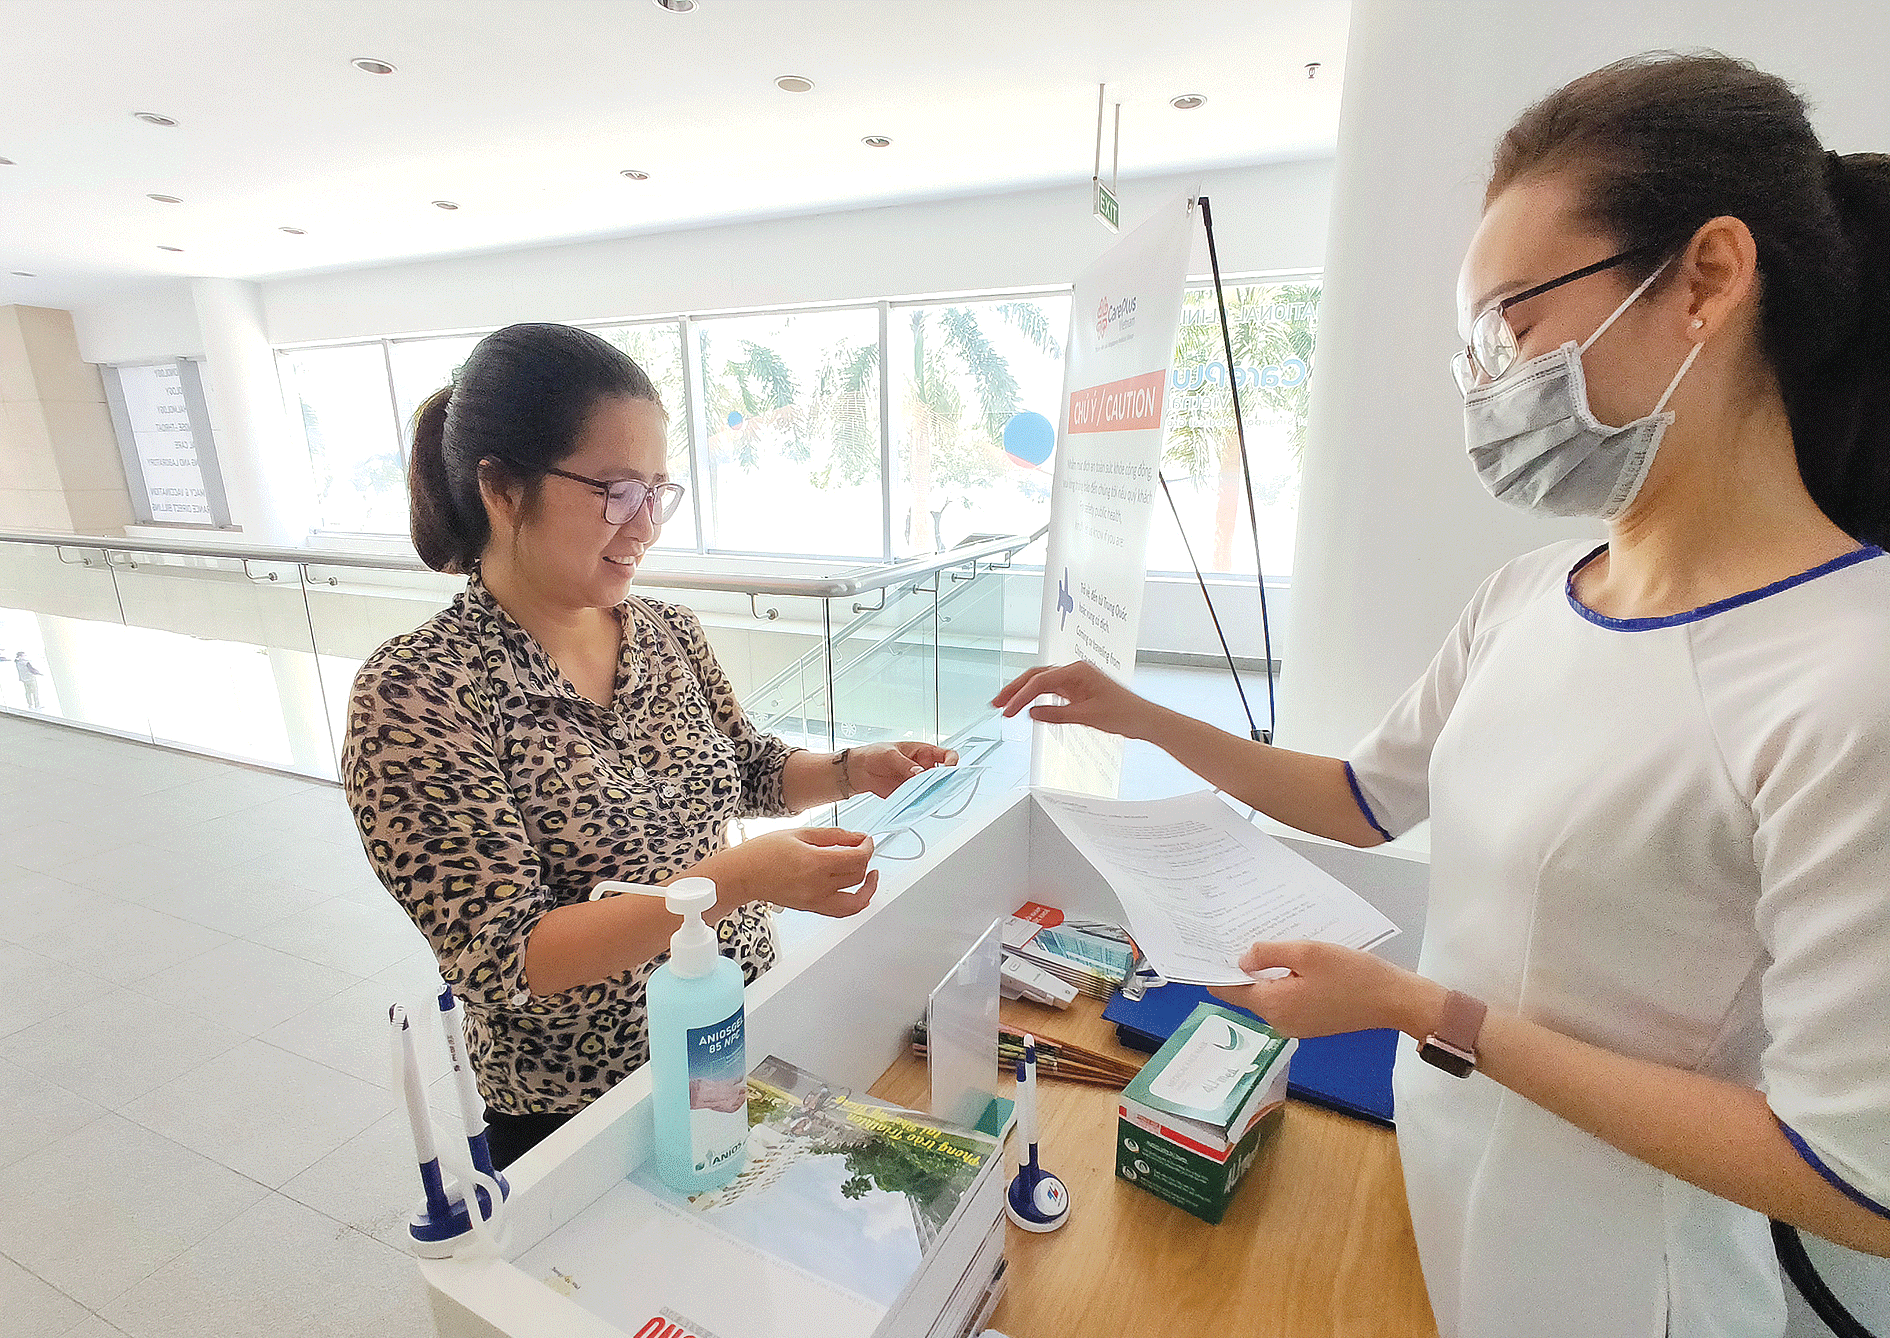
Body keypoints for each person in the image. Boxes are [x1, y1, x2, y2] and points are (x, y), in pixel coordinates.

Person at [994, 52, 1890, 1338]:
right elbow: (1363, 801)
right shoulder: (1534, 594)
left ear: (1706, 278)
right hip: (1454, 1169)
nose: (1488, 386)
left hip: (1636, 1272)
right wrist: (1137, 714)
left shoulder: (1851, 668)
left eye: (1511, 326)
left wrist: (1429, 1011)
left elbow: (1853, 1181)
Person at [343, 322, 956, 1170]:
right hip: (588, 1113)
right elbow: (508, 959)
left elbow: (745, 767)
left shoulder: (666, 633)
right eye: (616, 490)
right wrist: (737, 880)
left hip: (746, 1031)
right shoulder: (419, 694)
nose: (646, 527)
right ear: (501, 488)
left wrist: (856, 770)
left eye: (659, 492)